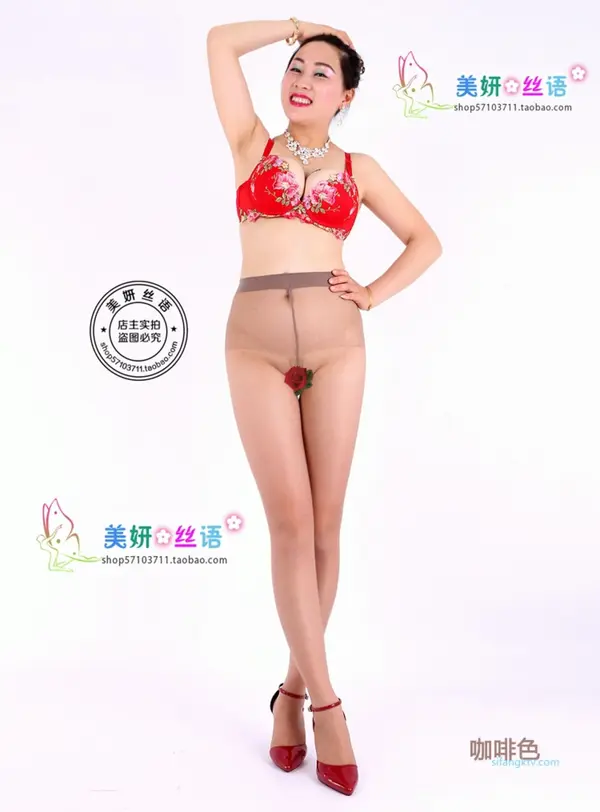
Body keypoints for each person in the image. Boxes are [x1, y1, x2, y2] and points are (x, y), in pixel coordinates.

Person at [206, 18, 442, 796]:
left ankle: (290, 691)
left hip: (339, 347)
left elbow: (425, 241)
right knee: (290, 524)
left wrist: (371, 292)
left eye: (321, 72)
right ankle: (328, 705)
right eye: (296, 67)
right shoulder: (250, 144)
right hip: (254, 346)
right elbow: (218, 42)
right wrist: (296, 27)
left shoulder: (359, 168)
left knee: (326, 527)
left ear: (346, 97)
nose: (302, 79)